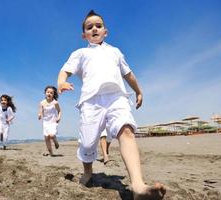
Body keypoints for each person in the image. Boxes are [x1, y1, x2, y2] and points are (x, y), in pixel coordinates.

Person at [57, 10, 166, 200]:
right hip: (91, 102)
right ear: (84, 35)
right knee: (88, 143)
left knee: (126, 130)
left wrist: (139, 91)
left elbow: (128, 74)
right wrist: (61, 82)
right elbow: (65, 70)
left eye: (98, 25)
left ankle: (138, 186)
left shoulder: (115, 52)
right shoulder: (80, 53)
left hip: (117, 96)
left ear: (105, 31)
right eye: (89, 27)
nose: (95, 29)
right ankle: (88, 171)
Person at [38, 86, 61, 156]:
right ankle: (51, 153)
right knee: (46, 137)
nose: (49, 94)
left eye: (51, 93)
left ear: (53, 94)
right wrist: (39, 115)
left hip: (53, 121)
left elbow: (59, 111)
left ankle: (55, 141)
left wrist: (59, 117)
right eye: (48, 92)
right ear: (45, 93)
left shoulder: (55, 103)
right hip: (46, 122)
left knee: (52, 135)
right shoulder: (42, 103)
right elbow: (40, 112)